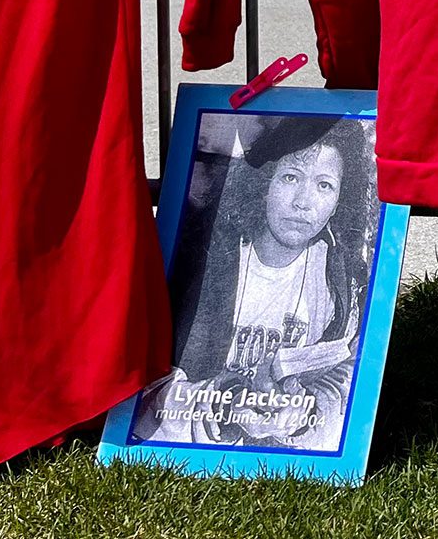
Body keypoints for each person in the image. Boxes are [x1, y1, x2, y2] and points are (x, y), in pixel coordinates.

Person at [133, 117, 376, 450]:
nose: (303, 202)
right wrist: (221, 405)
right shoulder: (209, 260)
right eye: (291, 177)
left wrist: (302, 411)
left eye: (324, 185)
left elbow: (352, 372)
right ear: (264, 184)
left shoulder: (337, 277)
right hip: (191, 442)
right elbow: (145, 385)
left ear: (337, 201)